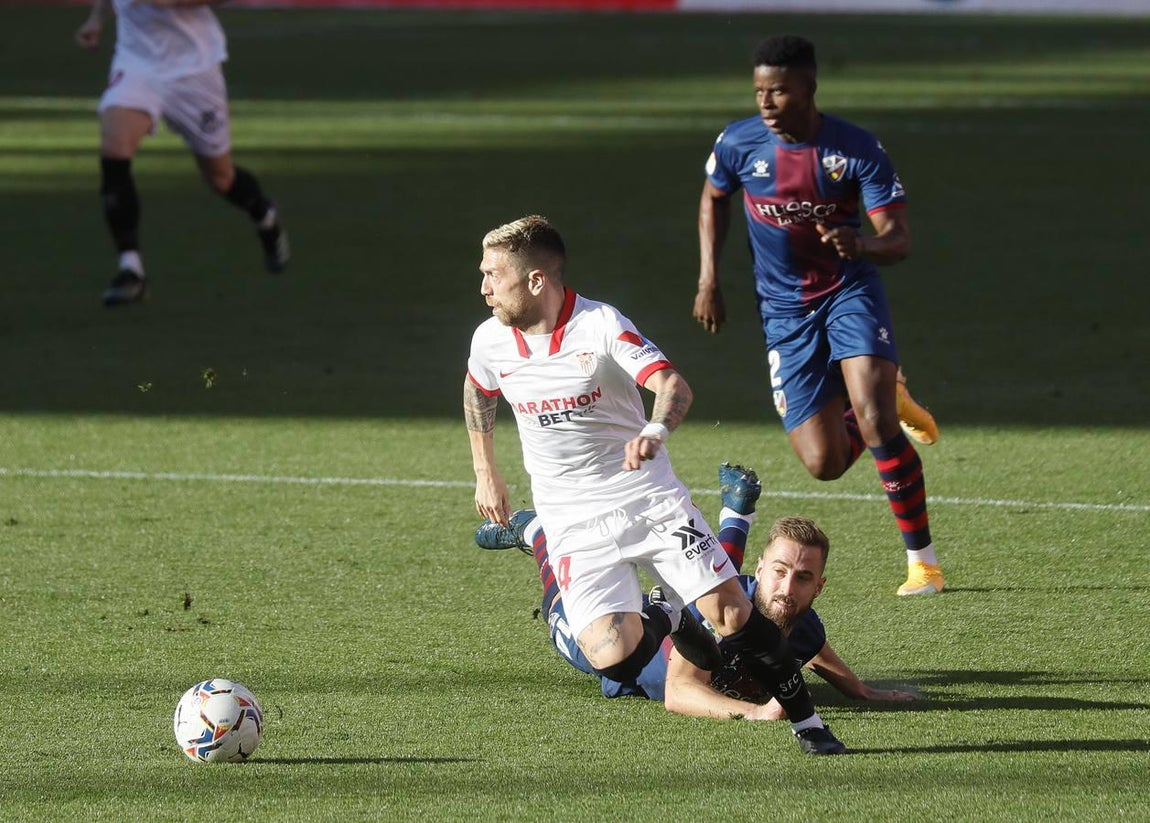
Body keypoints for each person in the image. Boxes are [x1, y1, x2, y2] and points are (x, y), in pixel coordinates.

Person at [465, 214, 844, 754]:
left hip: (645, 498)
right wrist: (486, 469)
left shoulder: (599, 327)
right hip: (570, 515)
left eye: (492, 275)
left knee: (734, 614)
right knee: (608, 652)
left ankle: (810, 725)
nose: (483, 288)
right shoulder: (490, 342)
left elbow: (672, 385)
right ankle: (667, 614)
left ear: (535, 281)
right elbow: (477, 389)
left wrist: (655, 428)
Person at [693, 34, 944, 596]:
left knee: (877, 425)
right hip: (784, 313)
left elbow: (897, 238)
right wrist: (709, 278)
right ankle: (888, 397)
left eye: (778, 91)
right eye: (759, 91)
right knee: (824, 463)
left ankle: (923, 564)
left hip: (849, 292)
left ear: (808, 88)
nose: (765, 103)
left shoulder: (855, 149)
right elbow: (714, 196)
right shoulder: (738, 144)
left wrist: (861, 246)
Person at [476, 463, 919, 720]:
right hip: (626, 650)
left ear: (819, 587)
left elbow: (813, 645)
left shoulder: (801, 619)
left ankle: (735, 514)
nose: (787, 588)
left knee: (712, 580)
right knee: (560, 607)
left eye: (802, 579)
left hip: (674, 598)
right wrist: (755, 713)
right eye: (779, 571)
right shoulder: (720, 610)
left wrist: (859, 690)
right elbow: (679, 693)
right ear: (760, 568)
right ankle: (533, 529)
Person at [74, 0, 289, 307]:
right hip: (138, 64)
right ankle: (131, 270)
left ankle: (264, 215)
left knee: (221, 177)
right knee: (114, 148)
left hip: (194, 69)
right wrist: (95, 19)